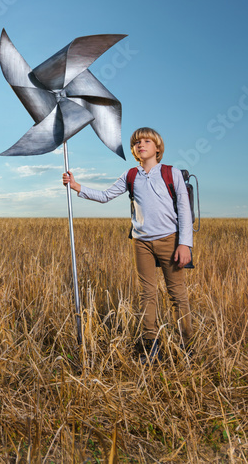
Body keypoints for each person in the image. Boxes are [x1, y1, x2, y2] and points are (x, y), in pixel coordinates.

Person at [62, 127, 194, 360]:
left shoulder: (170, 173)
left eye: (146, 141)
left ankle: (187, 346)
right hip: (141, 242)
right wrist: (77, 186)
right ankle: (150, 346)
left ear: (157, 147)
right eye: (136, 143)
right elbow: (105, 196)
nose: (140, 145)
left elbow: (184, 210)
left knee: (177, 294)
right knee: (147, 294)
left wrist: (185, 244)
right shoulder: (130, 175)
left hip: (170, 241)